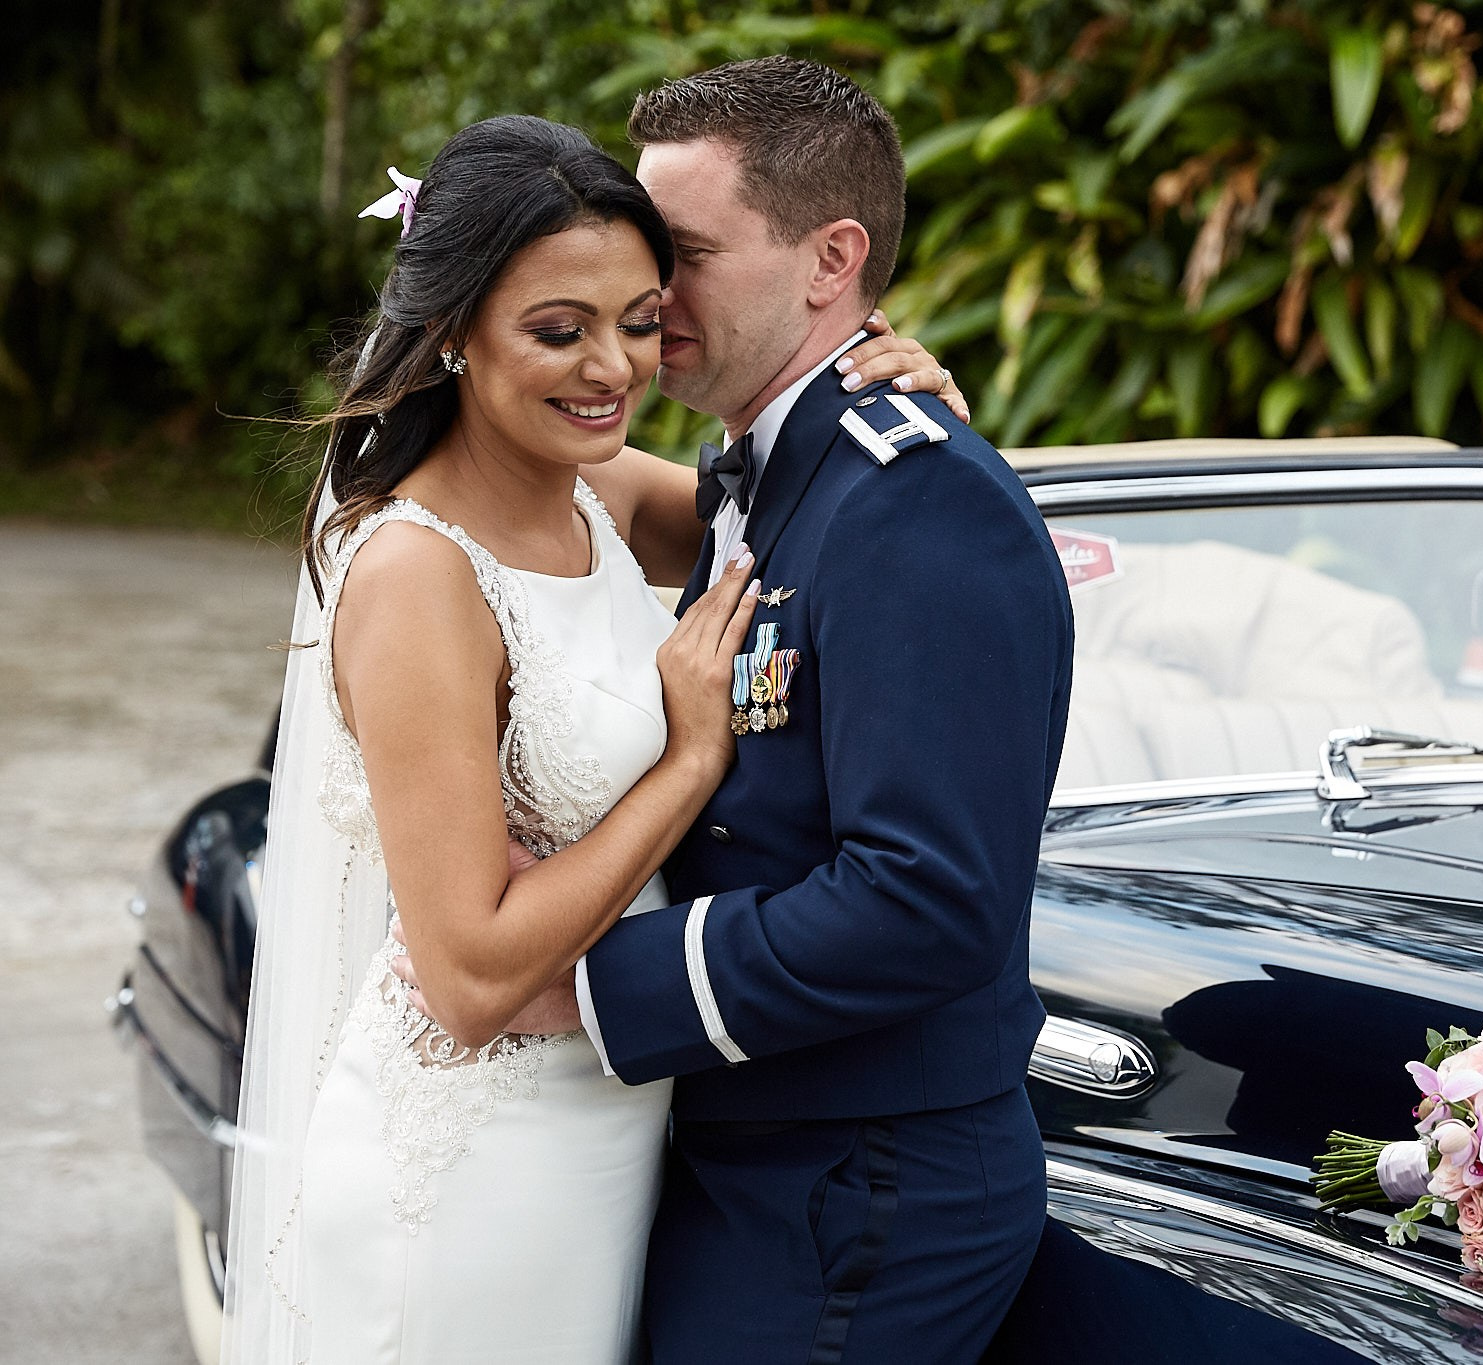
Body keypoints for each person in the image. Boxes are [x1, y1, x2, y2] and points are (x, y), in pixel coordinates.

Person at [222, 112, 963, 1364]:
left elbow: (817, 511)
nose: (613, 368)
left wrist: (892, 385)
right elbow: (465, 976)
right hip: (473, 1163)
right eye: (557, 331)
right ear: (452, 333)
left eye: (637, 318)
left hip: (609, 1135)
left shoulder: (603, 498)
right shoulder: (414, 574)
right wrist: (685, 766)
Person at [534, 55, 1075, 1365]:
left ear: (832, 258)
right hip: (768, 1152)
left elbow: (926, 896)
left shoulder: (913, 494)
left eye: (688, 253)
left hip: (860, 1184)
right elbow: (516, 449)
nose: (652, 295)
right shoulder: (774, 465)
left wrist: (589, 984)